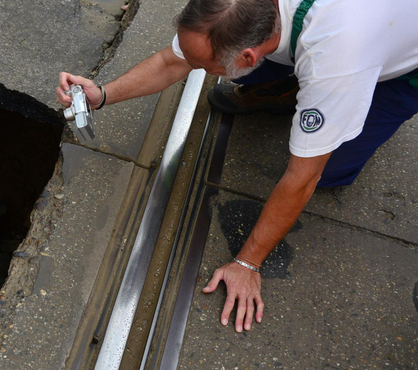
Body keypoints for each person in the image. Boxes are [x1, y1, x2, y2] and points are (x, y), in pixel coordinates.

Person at [57, 0, 418, 333]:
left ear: (248, 54)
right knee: (245, 72)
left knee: (332, 168)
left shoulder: (338, 62)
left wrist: (247, 263)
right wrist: (102, 95)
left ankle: (308, 95)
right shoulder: (236, 10)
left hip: (401, 66)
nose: (195, 68)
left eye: (202, 66)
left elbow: (303, 178)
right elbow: (173, 61)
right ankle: (291, 91)